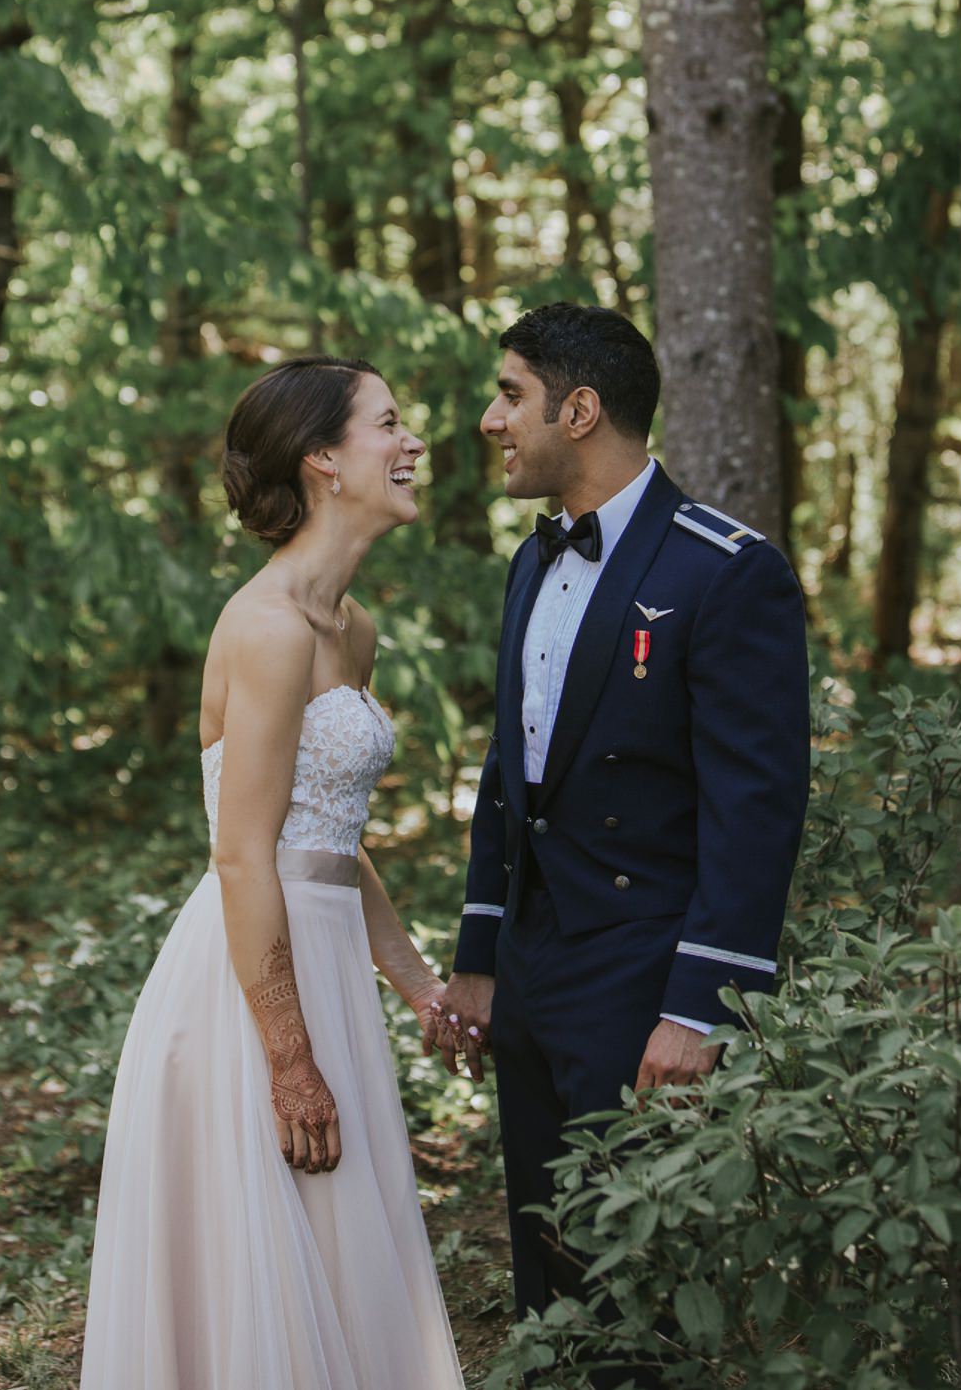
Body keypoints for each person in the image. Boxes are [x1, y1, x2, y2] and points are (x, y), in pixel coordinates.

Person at [421, 303, 810, 1362]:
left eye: (510, 395)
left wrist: (702, 1009)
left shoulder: (726, 572)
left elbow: (756, 813)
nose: (490, 419)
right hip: (537, 970)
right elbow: (509, 779)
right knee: (550, 1268)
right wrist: (479, 962)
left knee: (642, 1284)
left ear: (579, 410)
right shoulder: (530, 563)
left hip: (647, 978)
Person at [81, 357, 463, 1389]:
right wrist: (288, 1058)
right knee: (272, 1256)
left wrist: (419, 985)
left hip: (328, 956)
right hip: (252, 981)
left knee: (344, 1251)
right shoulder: (265, 627)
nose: (413, 443)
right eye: (391, 424)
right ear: (326, 461)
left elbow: (331, 846)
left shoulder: (354, 629)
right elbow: (244, 853)